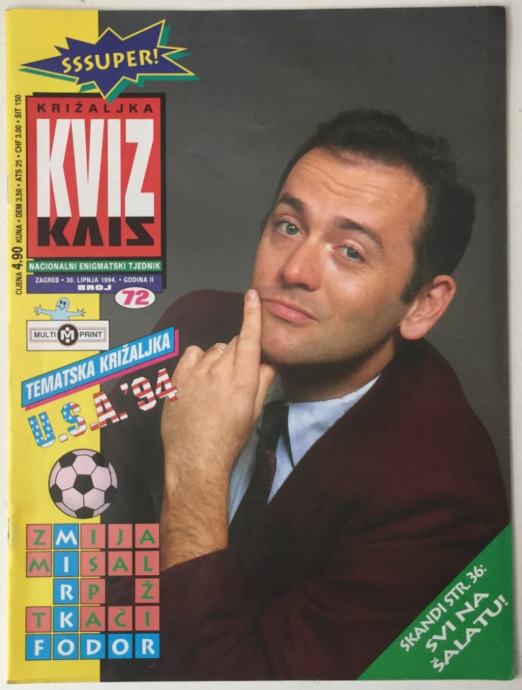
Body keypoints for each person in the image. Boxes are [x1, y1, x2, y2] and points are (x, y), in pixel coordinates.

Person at [102, 110, 508, 680]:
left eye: (351, 252)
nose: (294, 270)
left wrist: (195, 476)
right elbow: (85, 520)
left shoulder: (443, 496)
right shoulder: (194, 326)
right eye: (289, 226)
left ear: (423, 304)